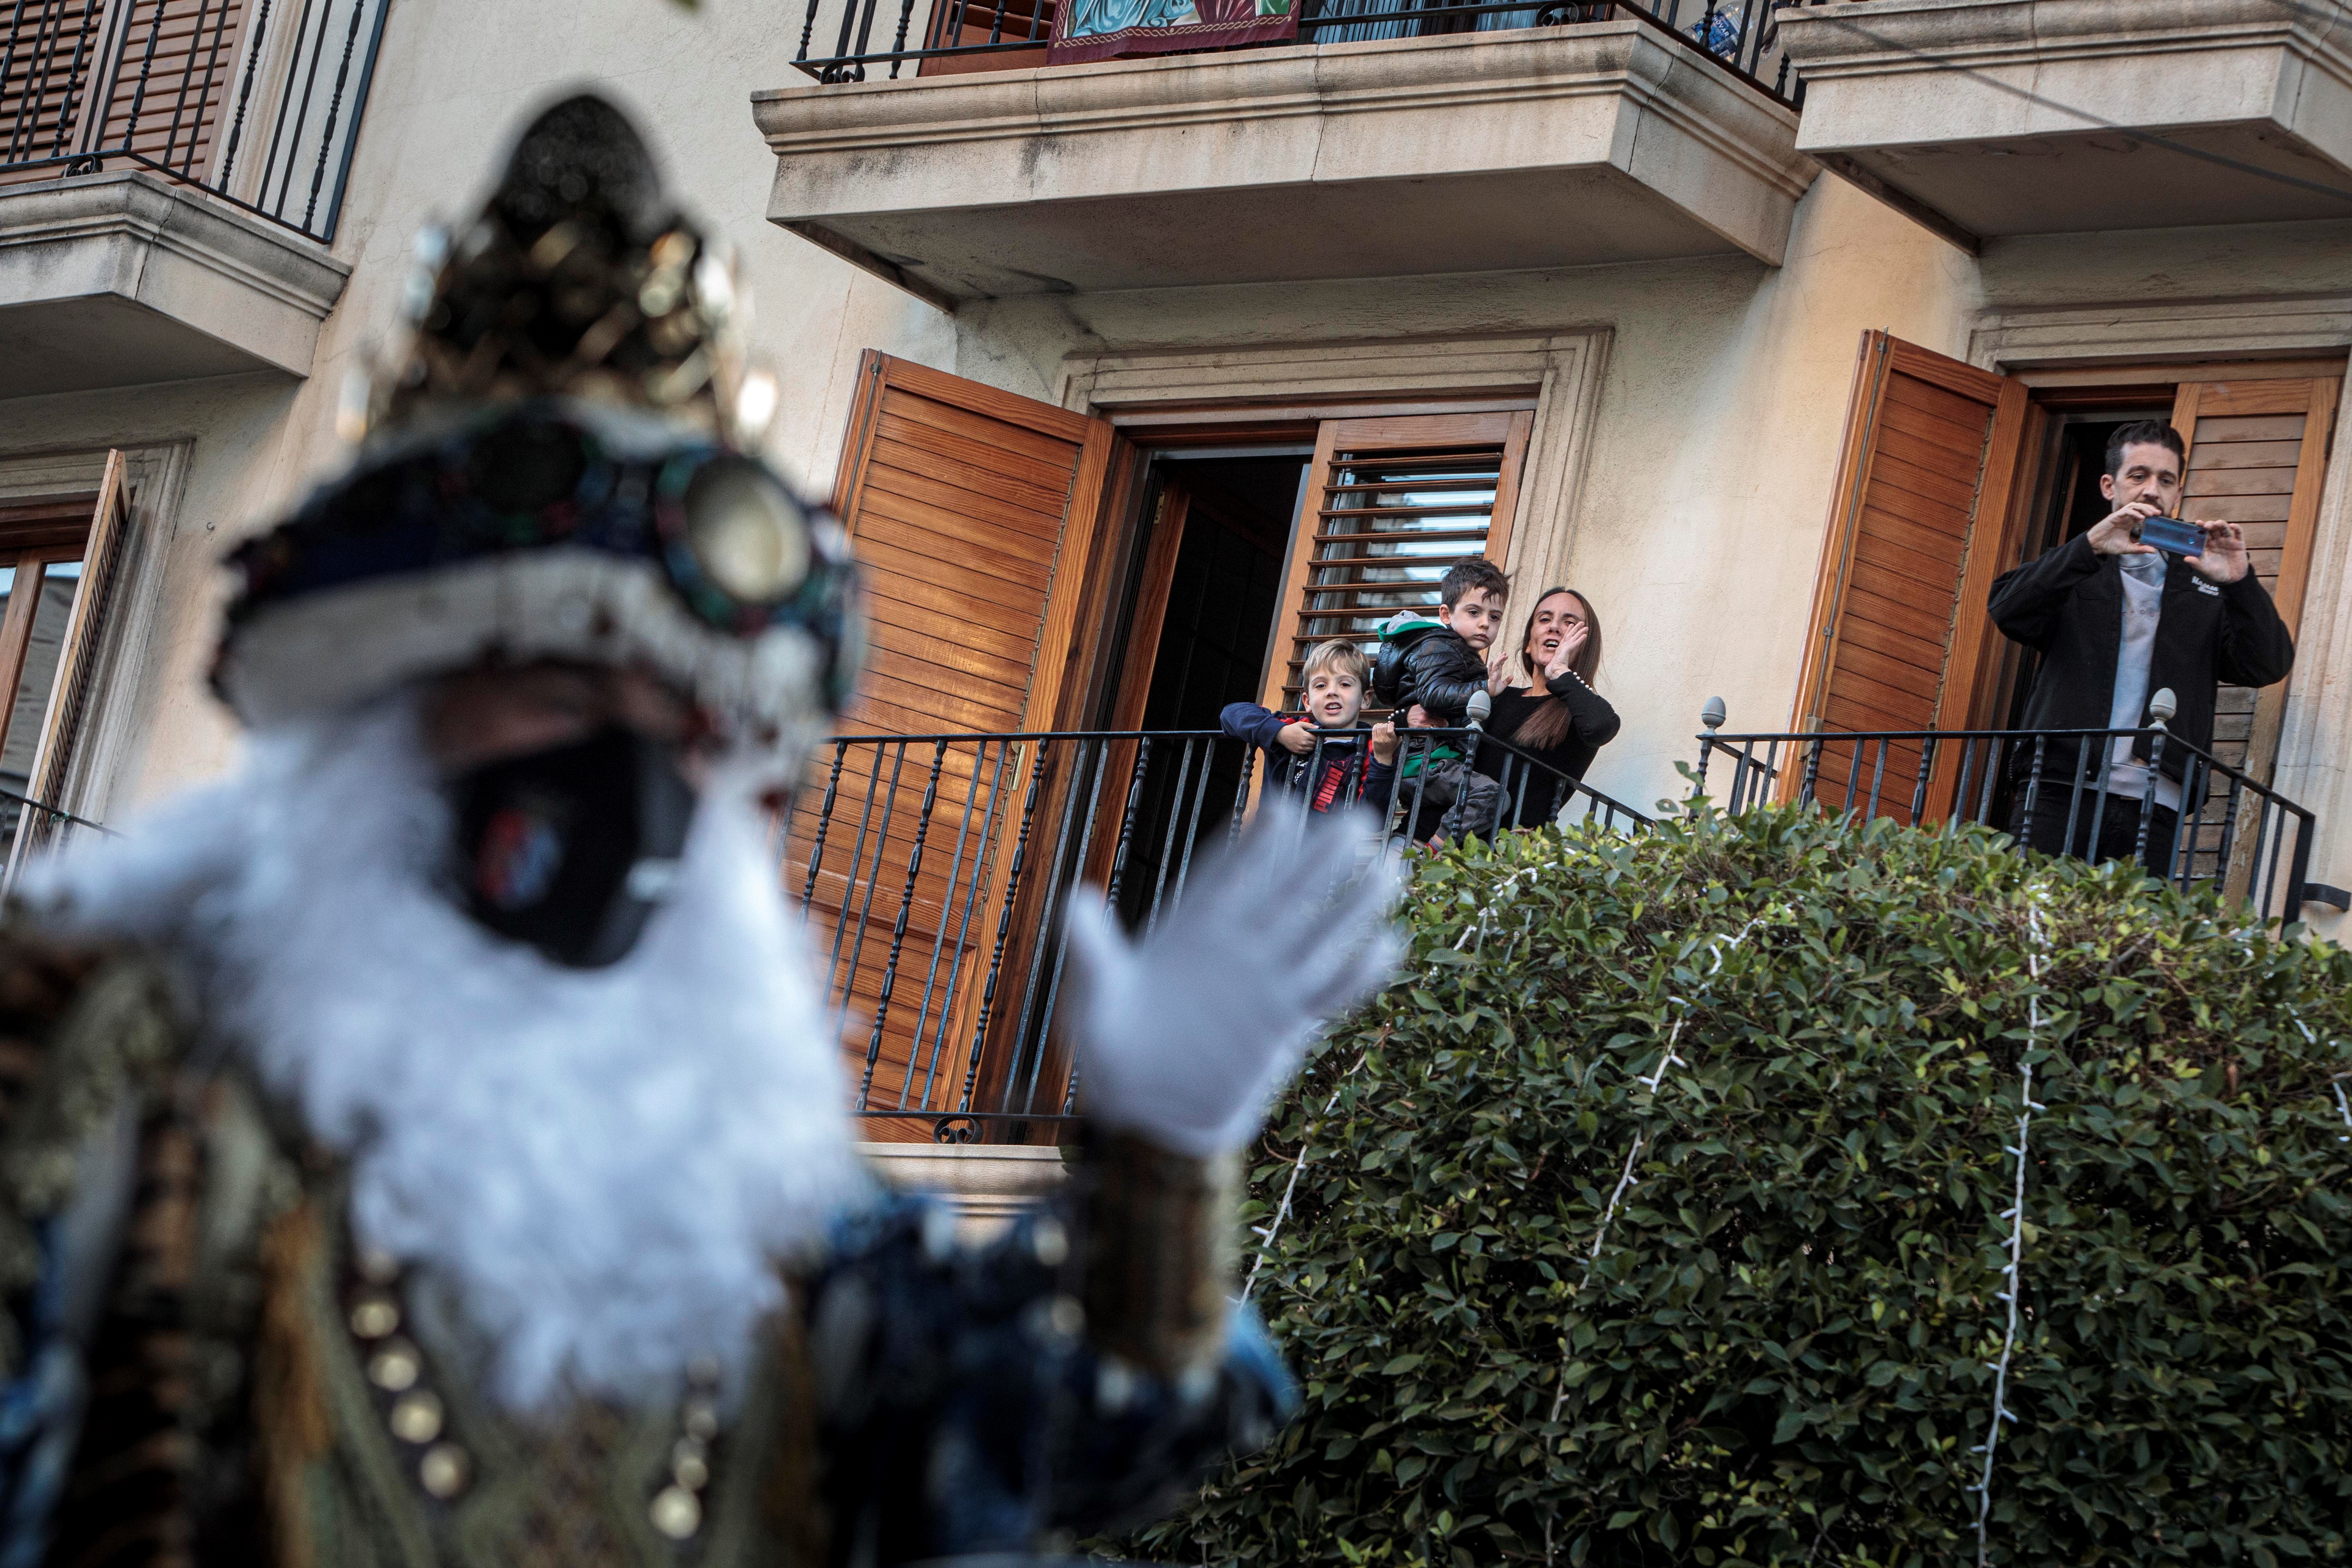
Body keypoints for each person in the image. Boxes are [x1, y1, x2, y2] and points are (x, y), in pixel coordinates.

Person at [0, 96, 1400, 1568]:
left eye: (695, 724)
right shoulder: (97, 1071)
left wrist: (1161, 1157)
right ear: (383, 712)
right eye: (560, 688)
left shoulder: (738, 1177)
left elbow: (1067, 1442)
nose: (639, 773)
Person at [1988, 418, 2294, 874]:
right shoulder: (2072, 568)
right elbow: (2007, 609)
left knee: (2132, 943)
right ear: (2108, 486)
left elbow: (2266, 665)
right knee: (2032, 930)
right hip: (2058, 787)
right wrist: (2089, 547)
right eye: (2138, 476)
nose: (2152, 490)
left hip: (2157, 800)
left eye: (2165, 480)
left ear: (2177, 494)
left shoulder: (2200, 582)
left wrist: (2240, 583)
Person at [1371, 560, 1509, 840]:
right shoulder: (1441, 647)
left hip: (1428, 761)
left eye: (1495, 617)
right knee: (1491, 795)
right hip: (1425, 761)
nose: (1485, 623)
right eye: (1474, 612)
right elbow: (1433, 697)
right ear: (1446, 614)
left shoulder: (1456, 651)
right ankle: (1436, 849)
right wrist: (1485, 689)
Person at [1474, 586, 1619, 829]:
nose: (1554, 627)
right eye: (1544, 619)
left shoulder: (1577, 712)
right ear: (1530, 643)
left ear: (1584, 645)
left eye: (1569, 623)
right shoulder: (1499, 696)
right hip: (1451, 843)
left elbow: (1602, 726)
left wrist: (1561, 673)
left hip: (1509, 857)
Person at [1221, 641, 1396, 815]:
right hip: (1273, 841)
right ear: (1307, 701)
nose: (1331, 692)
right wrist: (1279, 733)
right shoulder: (1292, 728)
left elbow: (1373, 819)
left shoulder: (1371, 749)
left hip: (1330, 843)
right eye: (1321, 685)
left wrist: (1383, 759)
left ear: (1366, 700)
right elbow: (1230, 714)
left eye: (1345, 684)